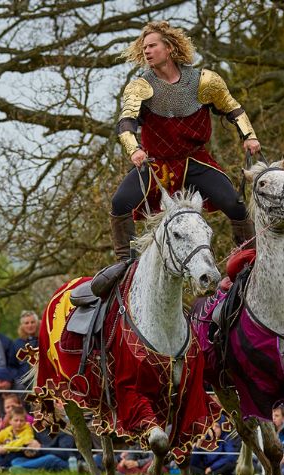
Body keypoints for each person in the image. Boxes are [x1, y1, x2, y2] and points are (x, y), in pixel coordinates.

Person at [90, 20, 260, 297]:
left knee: (234, 203)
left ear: (168, 48)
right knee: (120, 203)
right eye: (144, 47)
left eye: (153, 45)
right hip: (156, 163)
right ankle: (126, 264)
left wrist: (249, 136)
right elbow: (125, 123)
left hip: (195, 161)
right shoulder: (140, 87)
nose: (147, 51)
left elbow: (233, 109)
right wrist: (134, 149)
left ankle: (248, 261)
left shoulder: (205, 81)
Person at [0, 406, 34, 472]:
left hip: (18, 456)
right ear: (10, 421)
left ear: (25, 421)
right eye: (16, 420)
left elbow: (25, 441)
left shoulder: (28, 429)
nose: (19, 423)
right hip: (4, 455)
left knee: (16, 450)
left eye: (21, 420)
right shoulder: (7, 430)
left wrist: (5, 447)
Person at [8, 428, 77, 473]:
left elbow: (65, 454)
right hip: (43, 459)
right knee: (16, 460)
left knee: (50, 458)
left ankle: (15, 468)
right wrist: (33, 453)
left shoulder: (64, 430)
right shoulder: (39, 430)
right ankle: (31, 470)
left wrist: (41, 447)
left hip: (66, 462)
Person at [9, 310, 38, 388]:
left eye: (32, 322)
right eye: (26, 323)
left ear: (37, 323)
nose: (30, 325)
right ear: (22, 325)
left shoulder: (43, 340)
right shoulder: (16, 343)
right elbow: (11, 365)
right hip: (23, 381)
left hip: (41, 379)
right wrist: (18, 379)